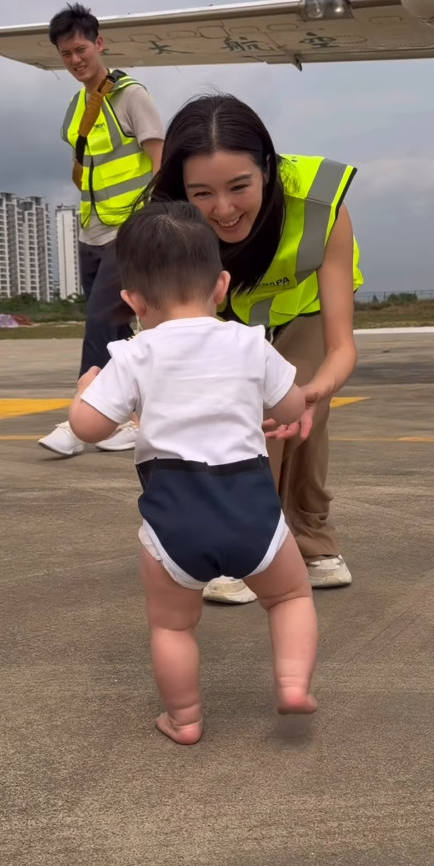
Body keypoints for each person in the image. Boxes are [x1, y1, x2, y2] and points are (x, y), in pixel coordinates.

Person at [69, 201, 318, 744]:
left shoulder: (133, 354)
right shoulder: (249, 342)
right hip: (251, 505)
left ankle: (184, 718)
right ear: (222, 286)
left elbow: (88, 428)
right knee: (291, 598)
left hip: (174, 514)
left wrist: (86, 391)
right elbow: (292, 408)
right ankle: (294, 684)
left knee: (173, 625)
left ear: (131, 300)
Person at [142, 93, 363, 600]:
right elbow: (161, 330)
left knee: (301, 410)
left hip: (306, 309)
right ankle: (240, 546)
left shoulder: (320, 200)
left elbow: (341, 347)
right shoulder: (169, 223)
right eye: (202, 194)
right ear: (181, 190)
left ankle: (311, 539)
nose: (222, 209)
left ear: (267, 167)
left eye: (239, 186)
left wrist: (314, 393)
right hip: (227, 316)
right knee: (234, 415)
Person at [39, 2, 165, 458]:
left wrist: (150, 218)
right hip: (92, 231)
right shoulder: (78, 107)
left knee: (99, 320)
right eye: (65, 55)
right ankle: (122, 422)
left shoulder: (130, 96)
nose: (75, 60)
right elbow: (84, 168)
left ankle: (81, 420)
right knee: (117, 329)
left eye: (80, 49)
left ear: (99, 44)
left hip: (129, 230)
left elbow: (160, 158)